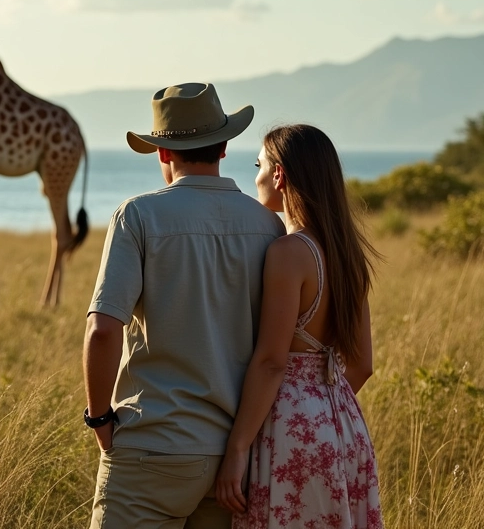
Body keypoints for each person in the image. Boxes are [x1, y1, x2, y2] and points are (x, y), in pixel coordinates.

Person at [83, 82, 286, 529]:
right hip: (235, 454)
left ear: (162, 154)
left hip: (153, 444)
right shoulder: (269, 224)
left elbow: (102, 330)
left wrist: (100, 420)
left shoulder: (137, 216)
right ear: (225, 146)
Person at [215, 124, 384, 528]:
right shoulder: (346, 254)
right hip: (344, 425)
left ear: (279, 175)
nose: (254, 176)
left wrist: (237, 450)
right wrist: (321, 409)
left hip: (290, 430)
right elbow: (361, 365)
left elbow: (272, 361)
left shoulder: (289, 252)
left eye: (258, 165)